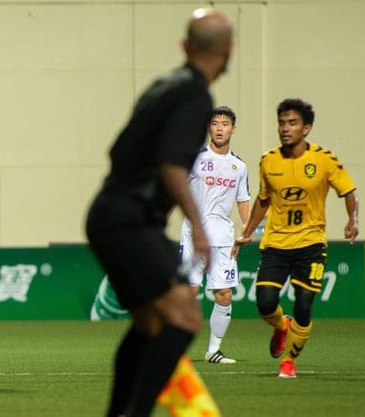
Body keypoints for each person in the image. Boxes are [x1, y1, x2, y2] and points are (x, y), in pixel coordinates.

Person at [86, 8, 233, 417]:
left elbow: (117, 150)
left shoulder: (163, 86)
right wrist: (199, 228)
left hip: (109, 212)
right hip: (130, 220)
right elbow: (171, 164)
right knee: (184, 318)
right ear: (229, 51)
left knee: (150, 325)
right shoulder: (196, 96)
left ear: (185, 46)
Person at [234, 98, 358, 378]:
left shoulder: (324, 159)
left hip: (311, 244)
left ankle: (288, 360)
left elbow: (349, 192)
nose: (285, 128)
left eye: (292, 123)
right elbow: (263, 200)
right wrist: (247, 230)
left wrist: (353, 220)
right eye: (281, 123)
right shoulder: (269, 161)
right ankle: (281, 326)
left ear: (306, 128)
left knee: (304, 304)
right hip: (276, 244)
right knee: (265, 303)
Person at [180, 105, 250, 364]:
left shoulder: (238, 166)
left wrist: (246, 229)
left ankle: (213, 350)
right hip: (192, 235)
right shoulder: (195, 159)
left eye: (225, 124)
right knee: (187, 293)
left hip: (223, 238)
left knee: (224, 294)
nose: (220, 128)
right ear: (209, 127)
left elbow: (243, 199)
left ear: (233, 129)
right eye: (215, 123)